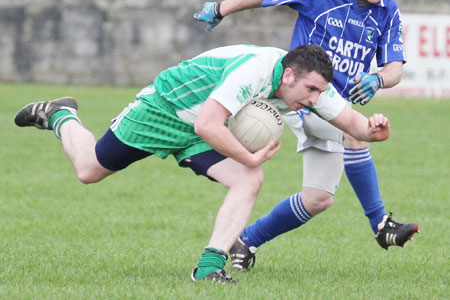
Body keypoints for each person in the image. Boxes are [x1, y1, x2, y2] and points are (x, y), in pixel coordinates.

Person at [15, 44, 391, 283]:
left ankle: (209, 267)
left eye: (319, 92)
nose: (313, 99)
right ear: (289, 75)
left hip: (202, 129)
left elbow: (353, 124)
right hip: (164, 109)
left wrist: (375, 128)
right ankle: (62, 114)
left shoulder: (309, 89)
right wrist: (248, 155)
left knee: (249, 180)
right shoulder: (256, 70)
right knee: (88, 170)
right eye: (310, 90)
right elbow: (207, 122)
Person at [193, 0, 419, 269]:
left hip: (334, 108)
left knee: (318, 199)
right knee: (354, 131)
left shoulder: (388, 11)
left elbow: (395, 68)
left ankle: (247, 241)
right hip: (304, 99)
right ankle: (380, 224)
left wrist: (379, 79)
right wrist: (221, 8)